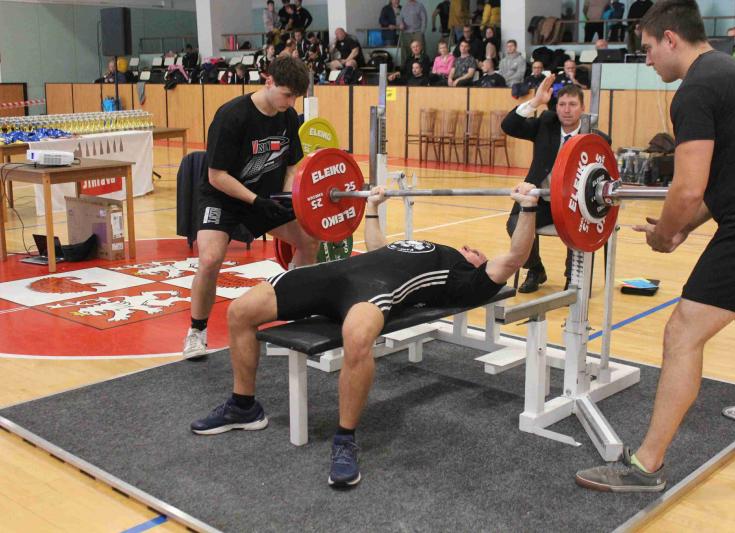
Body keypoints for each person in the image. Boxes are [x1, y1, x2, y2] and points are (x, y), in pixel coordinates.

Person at [575, 0, 735, 492]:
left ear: (671, 38)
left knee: (682, 333)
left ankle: (645, 466)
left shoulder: (695, 89)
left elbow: (689, 189)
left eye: (649, 48)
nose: (648, 59)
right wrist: (681, 229)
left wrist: (664, 234)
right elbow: (732, 180)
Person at [190, 182, 541, 488]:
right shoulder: (423, 246)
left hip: (373, 292)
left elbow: (514, 257)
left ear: (478, 265)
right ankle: (244, 407)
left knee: (357, 338)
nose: (470, 247)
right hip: (336, 274)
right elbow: (378, 248)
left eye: (477, 251)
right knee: (240, 311)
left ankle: (345, 440)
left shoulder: (463, 278)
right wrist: (372, 207)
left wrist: (527, 208)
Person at [182, 56, 319, 359]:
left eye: (296, 97)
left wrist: (286, 199)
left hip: (264, 198)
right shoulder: (232, 115)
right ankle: (196, 331)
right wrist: (256, 201)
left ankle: (295, 311)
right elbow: (216, 176)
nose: (291, 102)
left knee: (309, 240)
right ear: (268, 81)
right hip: (222, 196)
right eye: (287, 94)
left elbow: (291, 166)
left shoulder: (287, 115)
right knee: (210, 259)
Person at [502, 78, 609, 293]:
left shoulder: (596, 139)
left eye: (572, 104)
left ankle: (573, 278)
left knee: (578, 229)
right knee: (514, 224)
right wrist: (536, 101)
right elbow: (509, 126)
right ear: (556, 107)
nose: (566, 110)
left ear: (582, 108)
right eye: (562, 104)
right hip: (542, 201)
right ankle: (536, 270)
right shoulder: (546, 123)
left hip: (575, 205)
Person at [398, 0, 427, 66]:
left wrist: (422, 31)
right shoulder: (404, 6)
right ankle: (407, 68)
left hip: (417, 32)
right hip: (406, 33)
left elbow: (424, 19)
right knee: (406, 51)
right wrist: (401, 24)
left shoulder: (420, 5)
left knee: (420, 50)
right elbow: (400, 18)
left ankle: (422, 67)